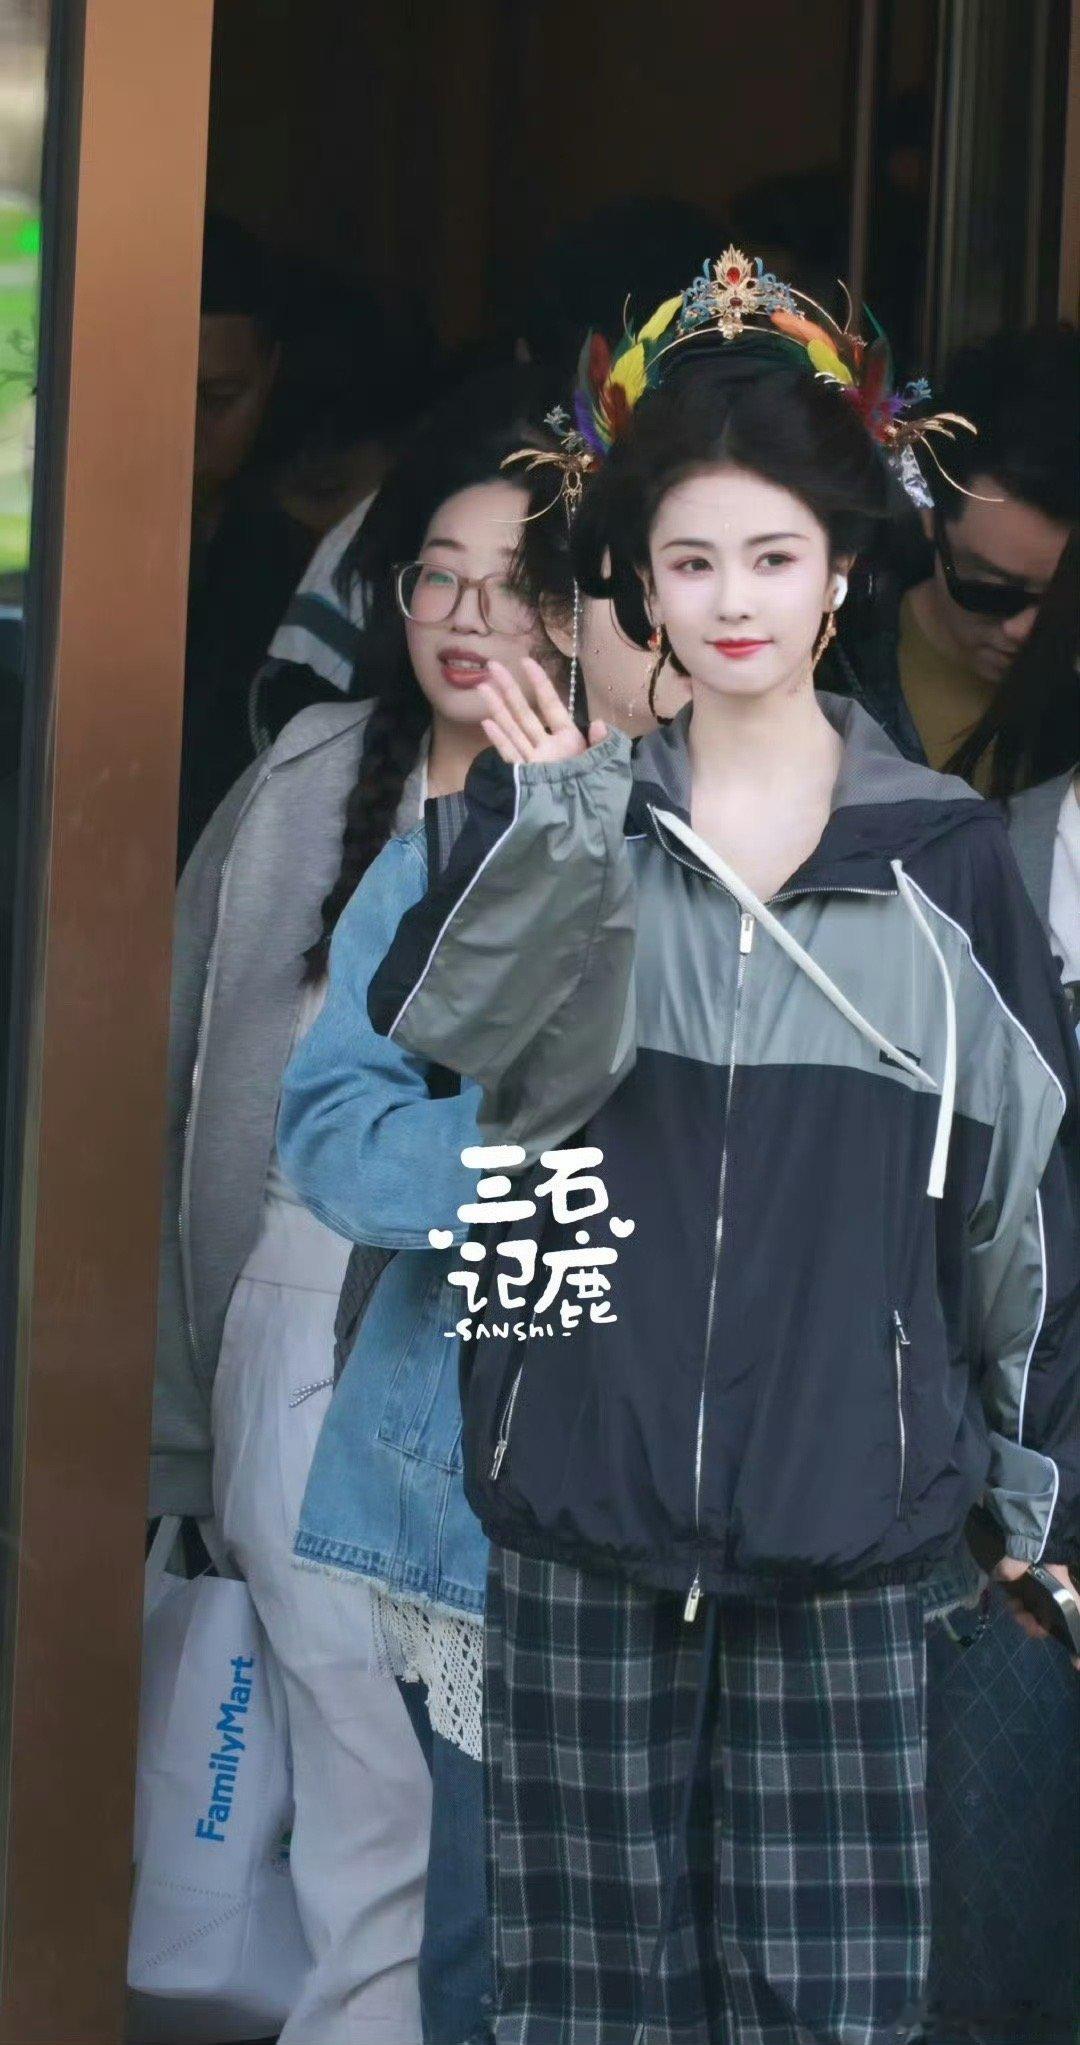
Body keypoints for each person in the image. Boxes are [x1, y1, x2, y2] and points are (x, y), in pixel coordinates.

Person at [302, 255, 1080, 2041]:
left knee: (825, 2007)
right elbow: (474, 1090)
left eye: (775, 557)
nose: (734, 599)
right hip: (578, 1524)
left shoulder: (944, 857)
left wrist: (1026, 1508)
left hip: (857, 1535)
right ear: (639, 583)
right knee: (581, 2003)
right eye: (694, 559)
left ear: (843, 573)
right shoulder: (549, 822)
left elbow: (1022, 1219)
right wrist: (558, 844)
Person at [151, 369, 574, 2044]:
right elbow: (182, 1078)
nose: (466, 618)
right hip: (292, 1327)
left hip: (497, 1361)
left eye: (514, 585)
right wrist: (177, 1426)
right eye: (434, 577)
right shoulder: (317, 773)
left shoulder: (623, 810)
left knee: (469, 1838)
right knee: (363, 1817)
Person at [278, 370, 682, 2045]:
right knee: (491, 1948)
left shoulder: (863, 848)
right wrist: (553, 1178)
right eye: (644, 588)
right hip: (493, 1480)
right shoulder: (467, 834)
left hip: (757, 1501)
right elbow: (332, 1130)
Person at [897, 324, 1078, 787]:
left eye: (1066, 598)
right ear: (929, 514)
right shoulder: (826, 675)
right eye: (993, 590)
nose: (1026, 630)